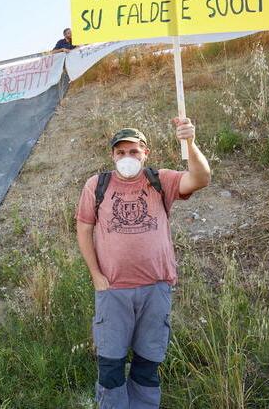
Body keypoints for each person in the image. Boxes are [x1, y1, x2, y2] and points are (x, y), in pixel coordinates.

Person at [76, 121, 211, 408]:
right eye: (121, 151)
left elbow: (201, 178)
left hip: (155, 289)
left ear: (145, 153)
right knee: (111, 365)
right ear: (113, 155)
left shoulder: (160, 179)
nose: (128, 157)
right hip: (113, 290)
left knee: (147, 364)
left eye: (134, 151)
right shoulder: (97, 184)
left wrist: (190, 143)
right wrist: (96, 276)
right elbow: (84, 228)